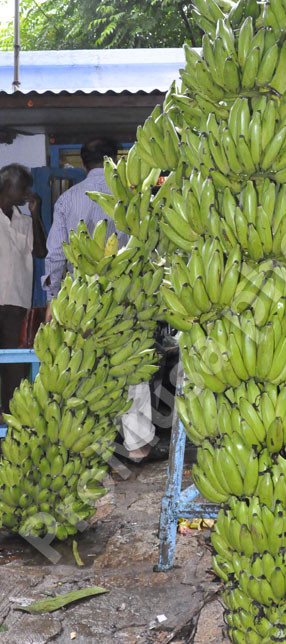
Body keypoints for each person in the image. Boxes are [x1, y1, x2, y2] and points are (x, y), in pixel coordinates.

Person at [42, 138, 164, 463]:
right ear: (116, 161)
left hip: (81, 298)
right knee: (132, 368)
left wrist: (54, 298)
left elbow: (55, 255)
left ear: (83, 164)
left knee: (84, 368)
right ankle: (136, 445)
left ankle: (89, 445)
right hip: (127, 297)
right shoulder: (131, 198)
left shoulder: (67, 200)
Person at [0, 163, 47, 417]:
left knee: (14, 370)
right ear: (8, 186)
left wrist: (36, 214)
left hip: (17, 307)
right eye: (23, 187)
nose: (27, 192)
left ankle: (11, 423)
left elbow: (41, 252)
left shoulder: (24, 221)